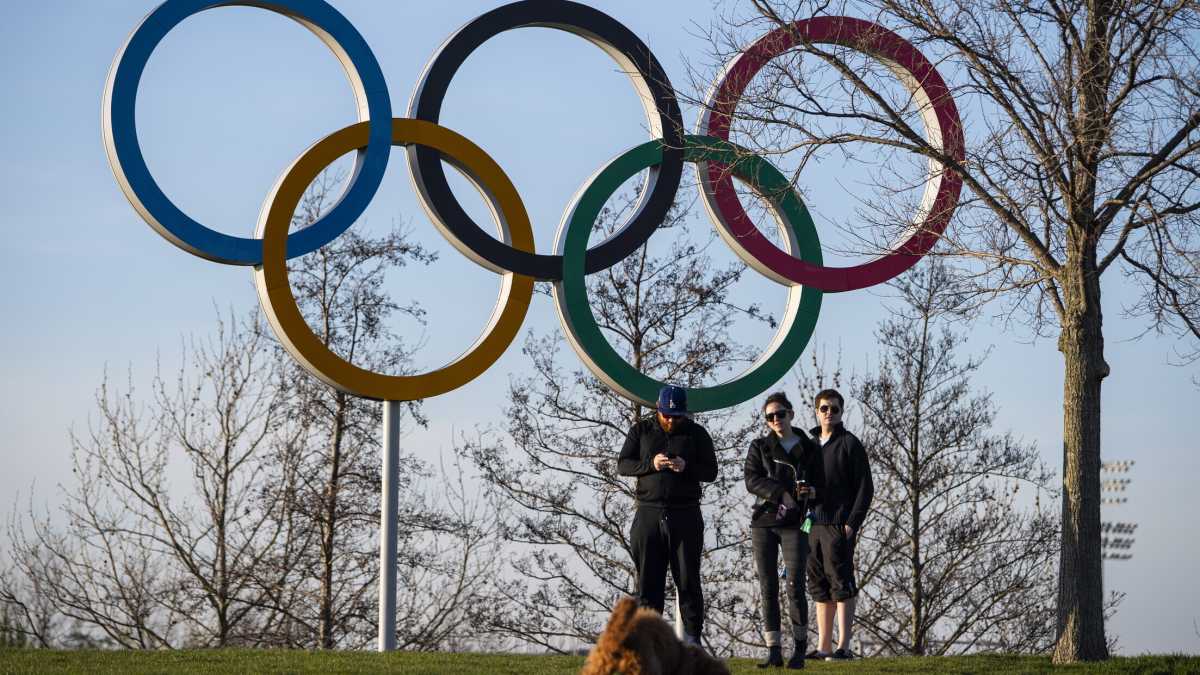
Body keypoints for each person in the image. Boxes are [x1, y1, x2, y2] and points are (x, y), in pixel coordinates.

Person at [617, 384, 718, 646]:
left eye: (677, 416)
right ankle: (649, 642)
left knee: (688, 580)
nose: (672, 420)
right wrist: (651, 464)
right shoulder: (641, 430)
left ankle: (693, 641)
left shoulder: (697, 434)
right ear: (658, 410)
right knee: (649, 583)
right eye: (667, 415)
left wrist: (686, 467)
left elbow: (711, 472)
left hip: (685, 513)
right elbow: (622, 464)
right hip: (648, 513)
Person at [744, 392, 822, 669]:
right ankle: (773, 649)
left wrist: (812, 491)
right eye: (770, 417)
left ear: (791, 414)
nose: (775, 420)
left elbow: (823, 484)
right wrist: (781, 494)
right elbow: (752, 480)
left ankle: (800, 648)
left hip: (796, 523)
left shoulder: (810, 448)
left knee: (795, 585)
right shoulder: (759, 447)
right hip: (764, 521)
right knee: (768, 585)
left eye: (780, 414)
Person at [805, 389, 873, 661]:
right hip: (811, 525)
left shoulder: (850, 444)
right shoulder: (808, 444)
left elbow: (865, 488)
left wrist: (851, 524)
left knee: (841, 584)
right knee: (819, 586)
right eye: (824, 408)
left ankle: (844, 647)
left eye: (834, 409)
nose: (829, 413)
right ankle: (824, 647)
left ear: (841, 412)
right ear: (816, 411)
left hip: (838, 525)